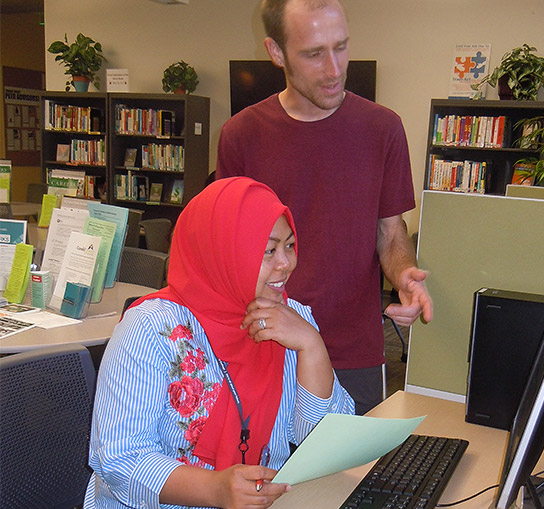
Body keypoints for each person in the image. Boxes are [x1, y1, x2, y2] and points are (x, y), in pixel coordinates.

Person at [84, 176, 354, 509]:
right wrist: (215, 489)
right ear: (224, 252)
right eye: (268, 250)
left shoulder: (290, 318)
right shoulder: (152, 329)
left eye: (289, 245)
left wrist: (312, 346)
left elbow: (324, 443)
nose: (285, 263)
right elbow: (120, 460)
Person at [216, 0, 433, 414]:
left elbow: (390, 231)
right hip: (266, 346)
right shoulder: (241, 135)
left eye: (341, 47)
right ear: (277, 52)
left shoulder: (382, 129)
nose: (334, 69)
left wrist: (405, 274)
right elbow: (228, 250)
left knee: (357, 477)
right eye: (314, 53)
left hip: (355, 354)